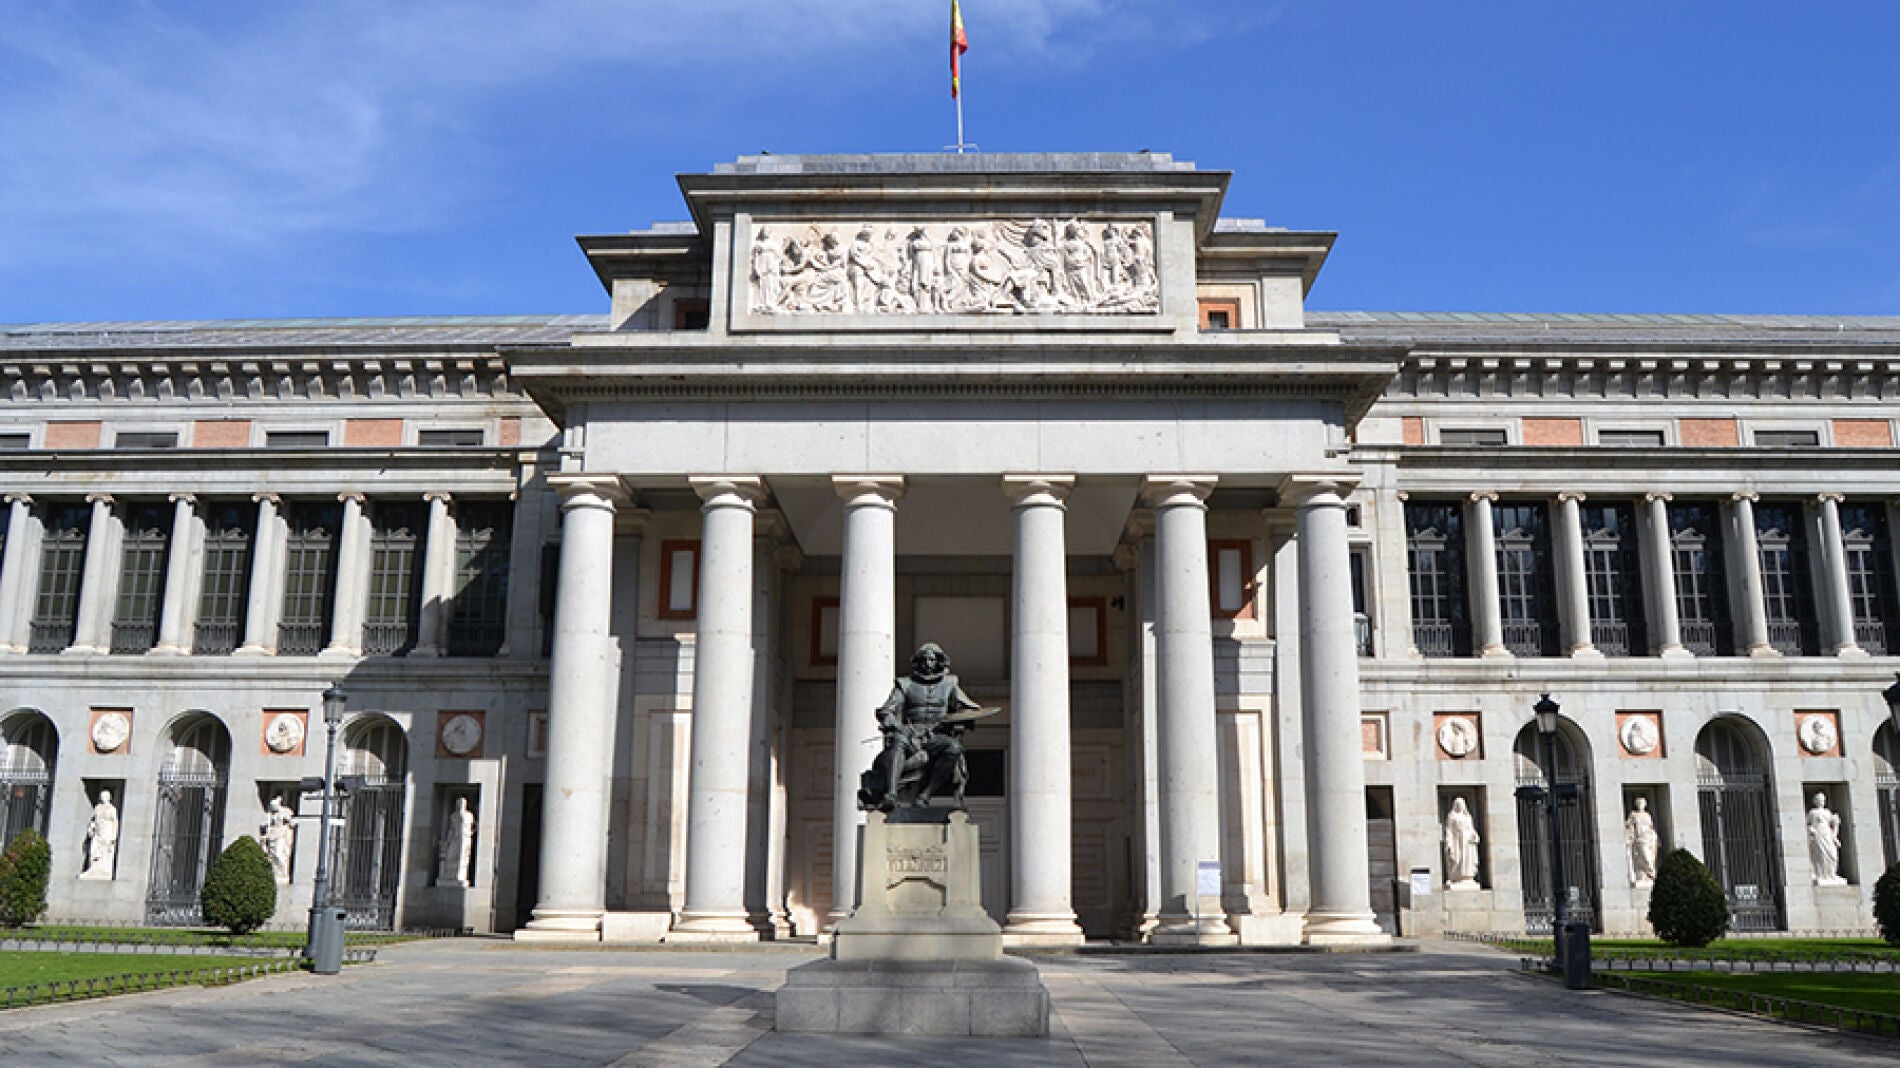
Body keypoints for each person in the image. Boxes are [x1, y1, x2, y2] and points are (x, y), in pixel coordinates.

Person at [857, 643, 983, 811]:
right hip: (911, 733)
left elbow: (969, 709)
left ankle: (925, 795)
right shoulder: (905, 684)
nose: (927, 663)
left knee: (954, 748)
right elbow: (887, 710)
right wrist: (890, 721)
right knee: (898, 743)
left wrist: (960, 721)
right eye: (923, 659)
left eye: (931, 659)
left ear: (938, 661)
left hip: (936, 735)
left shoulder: (950, 684)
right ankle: (891, 795)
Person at [1443, 797, 1481, 889]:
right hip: (1457, 841)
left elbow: (1471, 829)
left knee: (1468, 859)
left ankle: (1468, 877)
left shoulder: (1467, 817)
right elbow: (1449, 830)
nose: (1460, 806)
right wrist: (1449, 842)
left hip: (1467, 841)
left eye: (1461, 804)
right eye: (1458, 804)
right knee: (1457, 859)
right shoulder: (1452, 816)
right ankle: (1456, 878)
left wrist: (1474, 835)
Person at [438, 796, 476, 887]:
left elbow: (473, 826)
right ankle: (449, 876)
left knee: (462, 856)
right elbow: (451, 829)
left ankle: (460, 876)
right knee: (450, 855)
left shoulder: (469, 815)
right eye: (459, 803)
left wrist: (470, 833)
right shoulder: (454, 816)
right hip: (454, 837)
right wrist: (447, 841)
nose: (460, 805)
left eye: (462, 803)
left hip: (464, 837)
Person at [1808, 792, 1845, 886]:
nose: (1821, 802)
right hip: (1818, 834)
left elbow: (1834, 824)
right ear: (1815, 801)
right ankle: (1821, 875)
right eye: (1819, 800)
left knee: (1832, 855)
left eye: (1823, 800)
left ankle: (1831, 874)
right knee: (1820, 855)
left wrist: (1835, 834)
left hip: (1827, 834)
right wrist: (1811, 830)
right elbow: (1808, 824)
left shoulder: (1827, 812)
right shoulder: (1813, 812)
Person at [82, 790, 119, 879]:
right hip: (98, 831)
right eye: (101, 796)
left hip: (107, 831)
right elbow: (94, 820)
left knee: (105, 851)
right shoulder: (98, 807)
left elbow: (115, 822)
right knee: (93, 850)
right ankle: (92, 869)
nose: (103, 798)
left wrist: (113, 835)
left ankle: (103, 871)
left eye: (105, 796)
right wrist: (91, 827)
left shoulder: (111, 809)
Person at [1625, 796, 1659, 887]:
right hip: (1639, 839)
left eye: (1642, 803)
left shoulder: (1647, 815)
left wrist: (1655, 837)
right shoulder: (1633, 814)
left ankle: (1647, 877)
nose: (1640, 805)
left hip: (1649, 838)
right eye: (1639, 803)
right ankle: (1653, 874)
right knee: (1645, 858)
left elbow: (1650, 827)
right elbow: (1628, 825)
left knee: (1650, 858)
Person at [262, 795, 295, 884]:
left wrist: (288, 820)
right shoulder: (272, 814)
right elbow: (269, 825)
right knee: (271, 856)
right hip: (273, 834)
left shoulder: (286, 812)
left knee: (279, 854)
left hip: (281, 834)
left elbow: (292, 823)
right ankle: (275, 873)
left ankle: (283, 873)